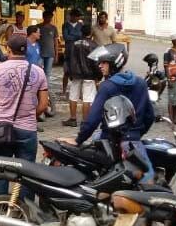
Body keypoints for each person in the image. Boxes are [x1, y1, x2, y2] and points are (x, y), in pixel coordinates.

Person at [65, 44, 156, 181]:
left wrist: (78, 139)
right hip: (132, 142)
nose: (100, 66)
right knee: (147, 181)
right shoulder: (141, 83)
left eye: (104, 63)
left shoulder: (107, 87)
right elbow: (150, 116)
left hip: (109, 142)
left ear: (114, 64)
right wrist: (136, 133)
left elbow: (92, 120)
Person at [0, 34, 49, 197]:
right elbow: (43, 104)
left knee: (1, 170)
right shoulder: (39, 72)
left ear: (8, 49)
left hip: (2, 129)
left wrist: (3, 113)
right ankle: (24, 207)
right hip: (28, 129)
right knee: (27, 172)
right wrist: (30, 115)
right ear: (26, 50)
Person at [63, 24, 99, 127]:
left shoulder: (73, 44)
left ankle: (73, 119)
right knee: (87, 98)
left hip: (75, 74)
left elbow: (67, 59)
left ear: (81, 32)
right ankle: (85, 121)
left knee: (73, 96)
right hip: (89, 75)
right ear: (91, 33)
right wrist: (98, 76)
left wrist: (68, 73)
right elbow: (95, 62)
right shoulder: (94, 45)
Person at [37, 11, 58, 105]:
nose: (49, 19)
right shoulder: (38, 27)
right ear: (43, 17)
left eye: (50, 17)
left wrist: (56, 54)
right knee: (39, 72)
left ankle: (46, 90)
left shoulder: (54, 28)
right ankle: (39, 89)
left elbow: (55, 41)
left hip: (50, 54)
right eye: (47, 17)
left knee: (47, 73)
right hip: (40, 54)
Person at [62, 9, 83, 93]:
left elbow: (82, 36)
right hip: (68, 50)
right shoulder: (66, 25)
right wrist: (77, 37)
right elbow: (66, 37)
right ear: (72, 16)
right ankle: (64, 90)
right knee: (66, 71)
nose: (77, 18)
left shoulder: (80, 25)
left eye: (78, 17)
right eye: (76, 16)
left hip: (78, 51)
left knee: (78, 71)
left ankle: (78, 91)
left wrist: (72, 36)